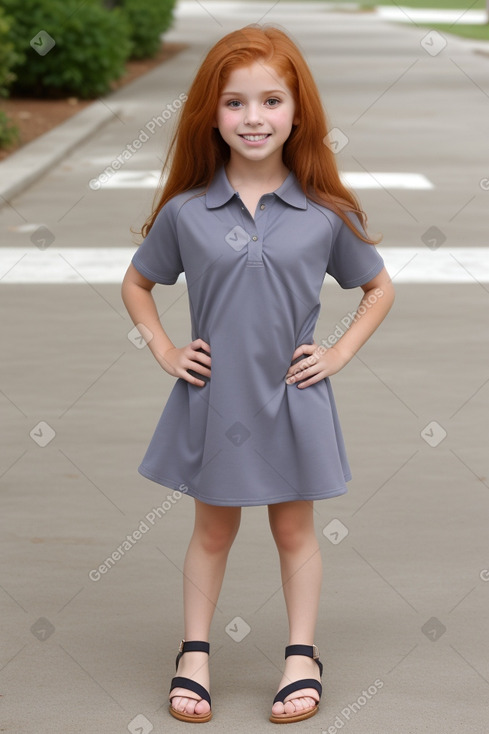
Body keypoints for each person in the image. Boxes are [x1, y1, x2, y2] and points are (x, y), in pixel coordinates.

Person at [121, 24, 395, 725]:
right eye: (234, 103)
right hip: (216, 400)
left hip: (290, 400)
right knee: (212, 532)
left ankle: (300, 656)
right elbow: (136, 283)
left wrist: (334, 354)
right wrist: (164, 351)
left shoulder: (322, 213)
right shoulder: (187, 212)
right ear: (210, 115)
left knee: (294, 532)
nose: (252, 118)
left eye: (270, 101)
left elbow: (379, 289)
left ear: (297, 110)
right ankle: (194, 654)